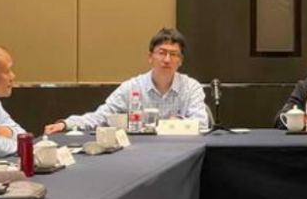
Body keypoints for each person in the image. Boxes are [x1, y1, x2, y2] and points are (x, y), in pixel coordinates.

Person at [44, 28, 208, 134]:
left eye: (173, 54)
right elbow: (101, 116)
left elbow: (202, 123)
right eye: (161, 52)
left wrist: (177, 123)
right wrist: (66, 124)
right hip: (141, 155)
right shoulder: (132, 87)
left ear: (180, 61)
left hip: (180, 154)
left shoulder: (191, 87)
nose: (167, 59)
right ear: (150, 57)